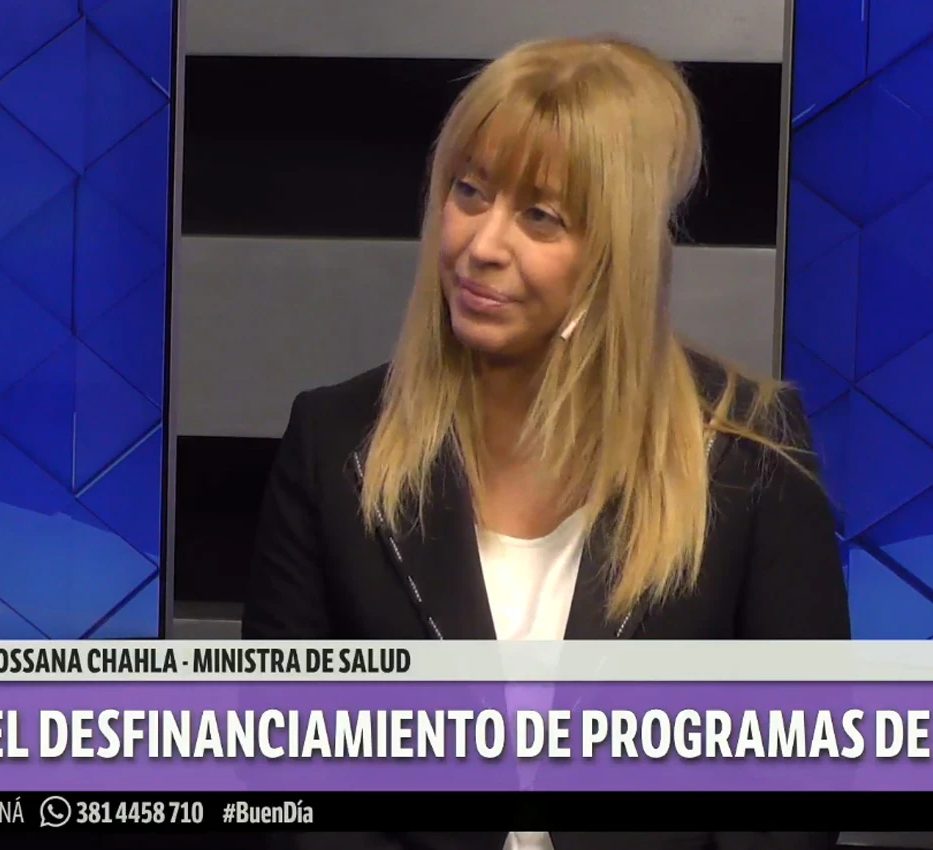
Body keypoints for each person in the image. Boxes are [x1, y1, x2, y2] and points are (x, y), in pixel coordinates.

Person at [243, 35, 850, 850]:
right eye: (469, 191)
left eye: (540, 216)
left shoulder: (750, 454)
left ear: (618, 254)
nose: (482, 245)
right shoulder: (335, 445)